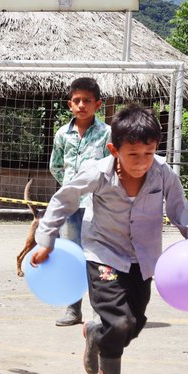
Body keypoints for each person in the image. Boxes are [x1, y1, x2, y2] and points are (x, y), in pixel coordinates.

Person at [30, 104, 188, 374]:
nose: (141, 162)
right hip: (103, 256)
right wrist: (46, 239)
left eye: (148, 153)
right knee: (119, 322)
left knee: (133, 323)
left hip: (144, 260)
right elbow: (63, 200)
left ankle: (95, 333)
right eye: (133, 155)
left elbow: (180, 210)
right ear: (114, 149)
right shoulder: (98, 172)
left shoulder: (163, 173)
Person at [48, 77, 112, 327]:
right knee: (71, 256)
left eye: (87, 100)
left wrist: (95, 191)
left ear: (98, 104)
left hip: (97, 206)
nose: (82, 105)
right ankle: (73, 309)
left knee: (98, 256)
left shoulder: (107, 133)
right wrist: (71, 189)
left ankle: (102, 311)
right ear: (69, 104)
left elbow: (111, 167)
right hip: (71, 205)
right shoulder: (63, 134)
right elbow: (55, 165)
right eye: (77, 101)